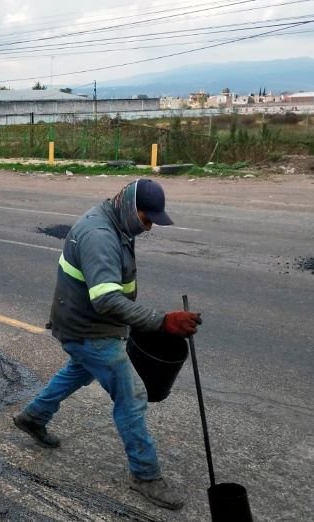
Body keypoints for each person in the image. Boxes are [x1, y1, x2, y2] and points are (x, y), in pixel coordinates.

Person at [13, 179, 202, 511]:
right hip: (90, 329)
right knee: (132, 396)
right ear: (130, 208)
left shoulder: (113, 222)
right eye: (147, 219)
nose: (149, 226)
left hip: (81, 324)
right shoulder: (100, 235)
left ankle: (34, 416)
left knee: (78, 371)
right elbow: (106, 301)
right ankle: (145, 475)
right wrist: (162, 321)